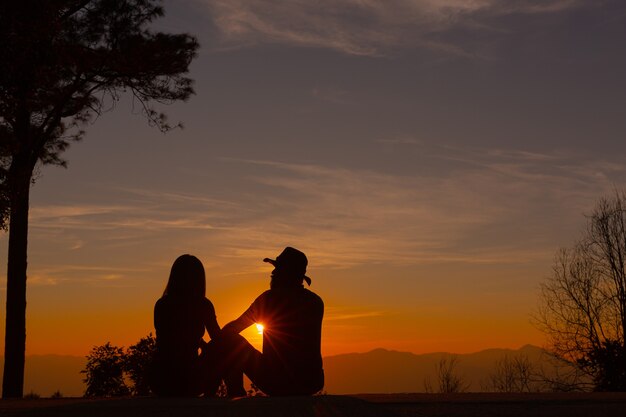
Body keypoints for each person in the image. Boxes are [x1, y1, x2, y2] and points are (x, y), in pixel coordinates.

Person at [219, 247, 324, 396]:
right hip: (312, 382)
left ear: (284, 274)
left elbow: (235, 328)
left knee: (232, 342)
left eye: (276, 271)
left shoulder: (269, 299)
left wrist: (217, 342)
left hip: (277, 381)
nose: (273, 274)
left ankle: (236, 393)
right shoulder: (315, 302)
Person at [151, 254, 222, 397]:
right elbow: (218, 339)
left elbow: (168, 338)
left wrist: (201, 344)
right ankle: (220, 394)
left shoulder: (162, 304)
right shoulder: (203, 304)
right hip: (189, 379)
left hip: (160, 380)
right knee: (226, 349)